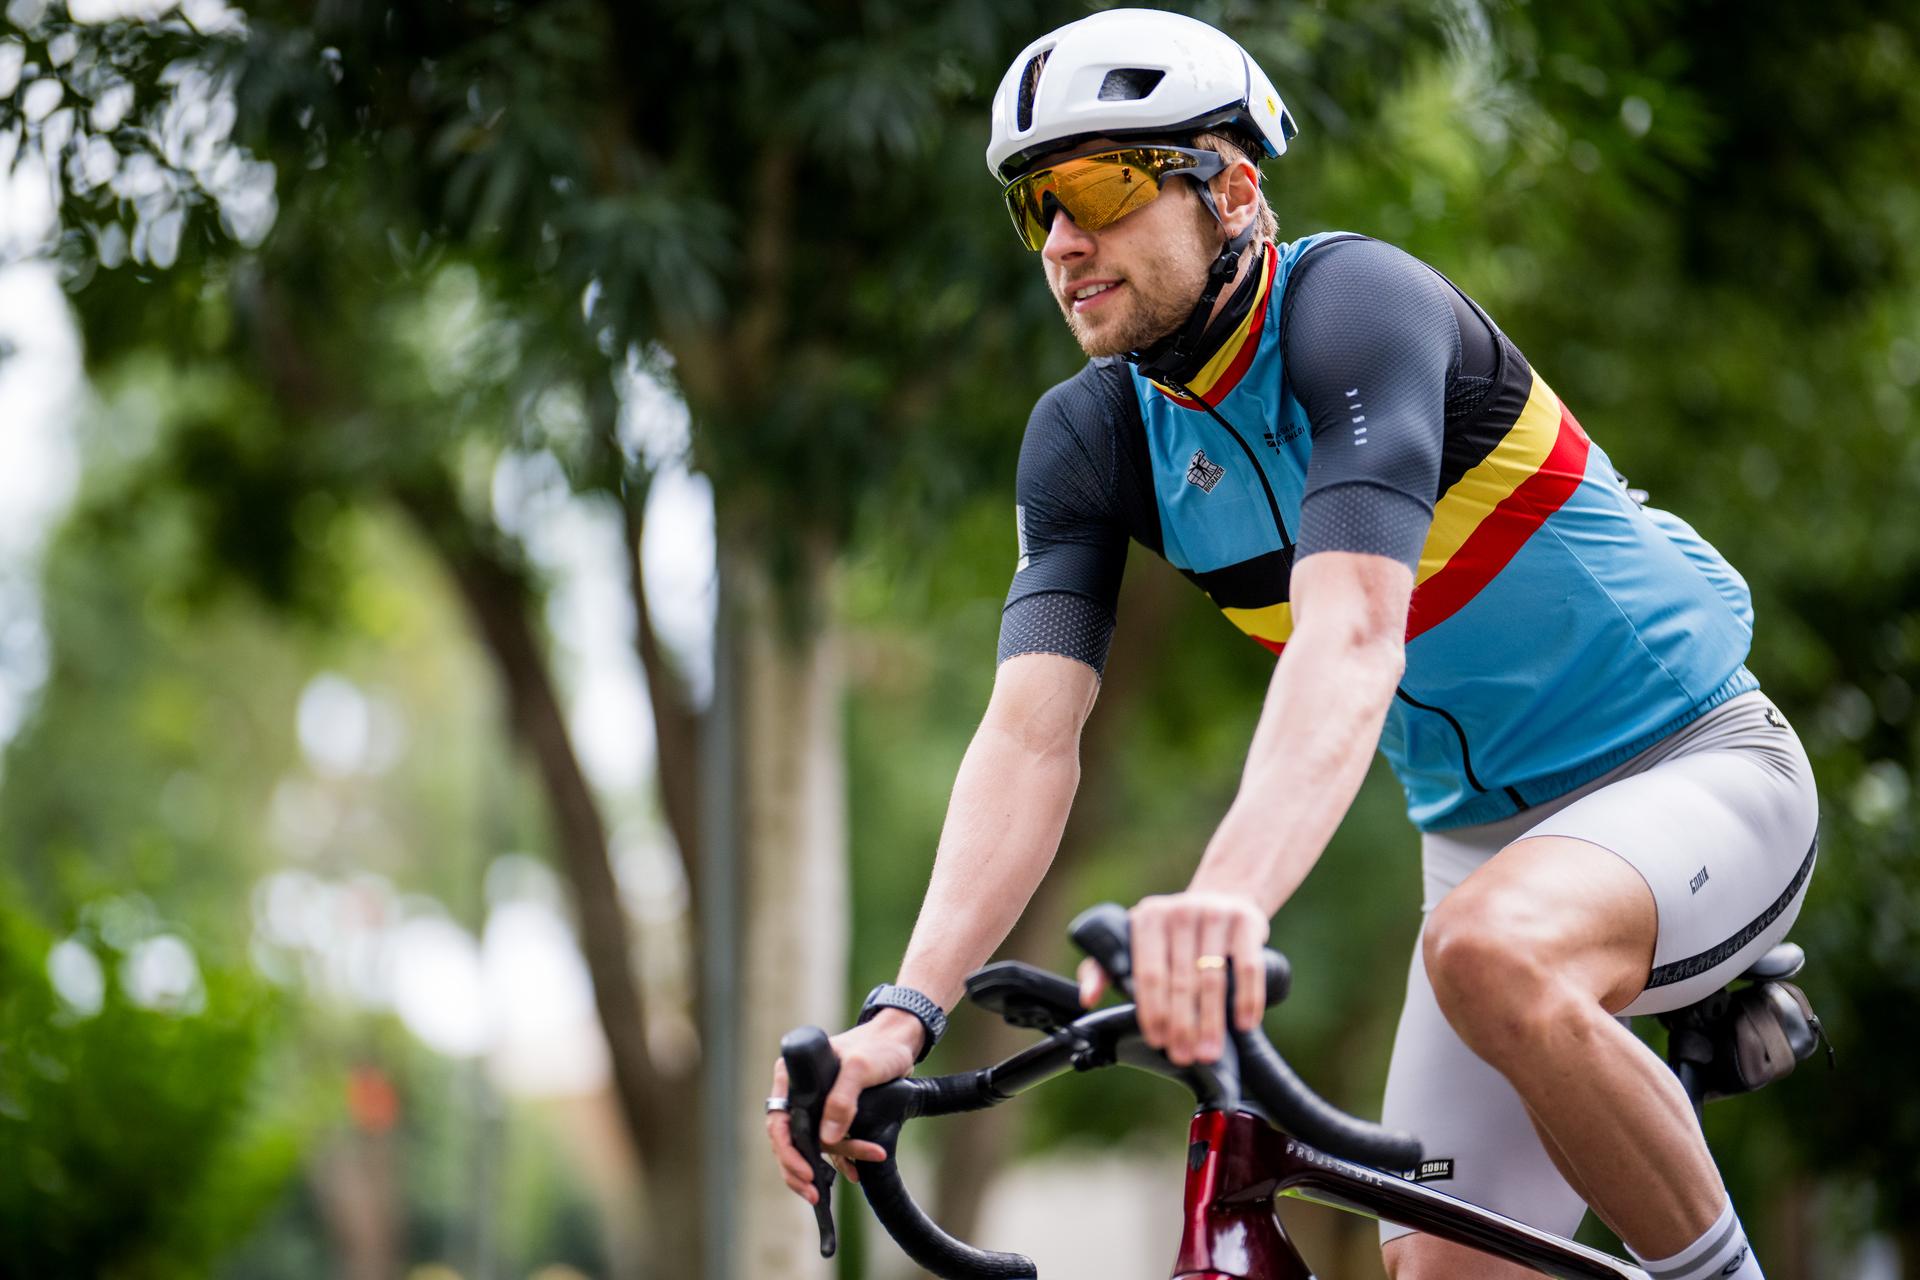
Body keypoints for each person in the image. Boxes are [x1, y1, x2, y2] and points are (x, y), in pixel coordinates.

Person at [765, 10, 1816, 1280]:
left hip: (1694, 769)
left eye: (1098, 183)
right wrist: (902, 1013)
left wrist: (1224, 902)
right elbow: (1029, 736)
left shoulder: (1357, 308)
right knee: (1440, 1269)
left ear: (1234, 189)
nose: (1061, 239)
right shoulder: (1089, 440)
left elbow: (1356, 631)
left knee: (1491, 948)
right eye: (1036, 203)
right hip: (1482, 842)